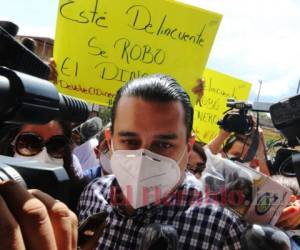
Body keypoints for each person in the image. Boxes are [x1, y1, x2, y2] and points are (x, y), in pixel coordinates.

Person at [78, 74, 245, 249]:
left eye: (163, 144)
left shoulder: (221, 228)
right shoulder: (92, 195)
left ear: (188, 147)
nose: (143, 159)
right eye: (130, 141)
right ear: (109, 140)